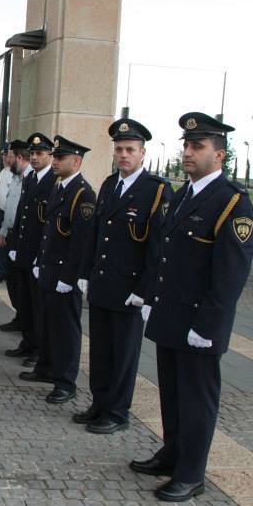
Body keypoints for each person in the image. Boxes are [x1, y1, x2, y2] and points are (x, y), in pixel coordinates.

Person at [131, 112, 253, 503]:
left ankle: (191, 473)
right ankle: (172, 454)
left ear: (219, 155)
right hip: (171, 316)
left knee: (197, 400)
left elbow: (231, 275)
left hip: (199, 323)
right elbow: (164, 255)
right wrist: (152, 299)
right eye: (186, 145)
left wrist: (210, 325)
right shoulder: (182, 195)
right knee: (171, 392)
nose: (188, 152)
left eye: (197, 146)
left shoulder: (232, 202)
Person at [75, 119, 172, 434]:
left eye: (130, 149)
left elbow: (158, 249)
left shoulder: (157, 191)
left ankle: (117, 412)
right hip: (103, 283)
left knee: (124, 356)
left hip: (130, 288)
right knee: (101, 352)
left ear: (143, 153)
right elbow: (96, 234)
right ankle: (99, 404)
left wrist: (145, 290)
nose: (124, 155)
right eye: (119, 149)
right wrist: (85, 272)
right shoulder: (108, 185)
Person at [26, 136, 96, 405]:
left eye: (60, 158)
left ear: (76, 161)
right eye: (54, 157)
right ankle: (45, 367)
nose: (54, 162)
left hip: (64, 276)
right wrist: (39, 262)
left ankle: (65, 382)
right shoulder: (60, 187)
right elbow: (50, 232)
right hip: (49, 270)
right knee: (48, 325)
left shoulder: (82, 194)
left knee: (66, 331)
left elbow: (81, 241)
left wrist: (71, 277)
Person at [3, 134, 56, 364]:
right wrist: (14, 245)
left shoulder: (54, 181)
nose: (34, 158)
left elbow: (48, 225)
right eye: (32, 154)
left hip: (39, 257)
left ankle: (39, 350)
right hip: (23, 252)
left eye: (39, 154)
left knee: (38, 307)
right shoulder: (30, 178)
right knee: (24, 302)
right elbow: (23, 216)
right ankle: (27, 341)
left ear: (50, 156)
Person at [0, 140, 30, 326]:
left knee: (20, 282)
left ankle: (24, 319)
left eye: (9, 155)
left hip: (22, 237)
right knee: (12, 280)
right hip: (10, 232)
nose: (7, 159)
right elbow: (9, 204)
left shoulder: (30, 179)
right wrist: (2, 230)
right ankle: (19, 315)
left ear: (18, 157)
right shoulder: (15, 176)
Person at [0, 148, 15, 283]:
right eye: (3, 156)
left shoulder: (16, 174)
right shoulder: (3, 172)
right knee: (0, 243)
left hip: (10, 213)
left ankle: (6, 272)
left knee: (9, 243)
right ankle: (0, 272)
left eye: (7, 156)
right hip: (1, 212)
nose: (5, 159)